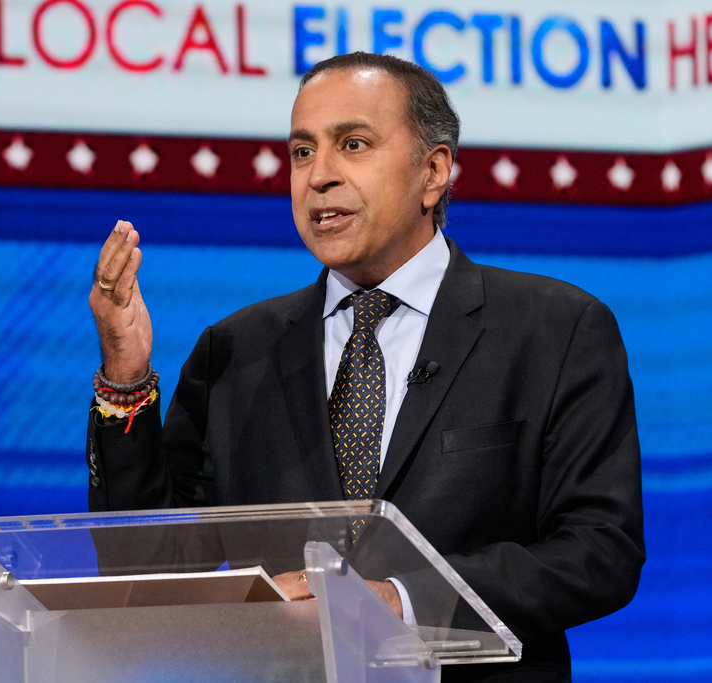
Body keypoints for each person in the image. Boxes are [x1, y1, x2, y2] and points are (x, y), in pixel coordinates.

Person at [86, 52, 644, 681]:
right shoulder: (235, 351)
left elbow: (600, 550)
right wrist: (125, 375)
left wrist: (401, 602)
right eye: (302, 152)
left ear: (433, 172)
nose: (319, 175)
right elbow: (144, 569)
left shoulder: (553, 330)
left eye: (353, 144)